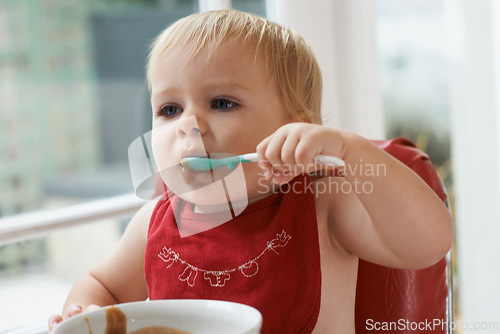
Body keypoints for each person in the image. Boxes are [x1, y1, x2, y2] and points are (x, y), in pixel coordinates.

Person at [48, 9, 453, 334]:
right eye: (169, 109)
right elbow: (102, 286)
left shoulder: (323, 206)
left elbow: (427, 243)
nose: (190, 125)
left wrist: (350, 150)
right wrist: (83, 314)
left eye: (222, 103)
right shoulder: (154, 223)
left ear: (297, 129)